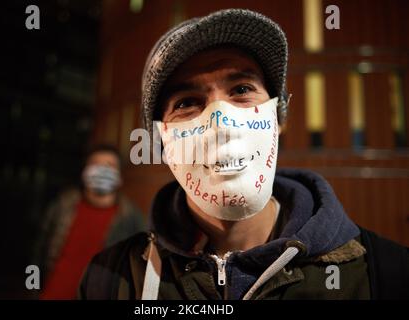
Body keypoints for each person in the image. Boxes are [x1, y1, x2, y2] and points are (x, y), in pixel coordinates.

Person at [79, 9, 409, 300]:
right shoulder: (110, 280)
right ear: (162, 139)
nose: (220, 121)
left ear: (278, 117)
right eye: (187, 102)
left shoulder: (386, 274)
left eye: (241, 90)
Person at [35, 144, 146, 299]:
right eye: (95, 164)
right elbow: (38, 251)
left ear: (120, 178)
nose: (102, 170)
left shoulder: (131, 217)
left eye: (109, 166)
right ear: (84, 172)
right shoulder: (63, 204)